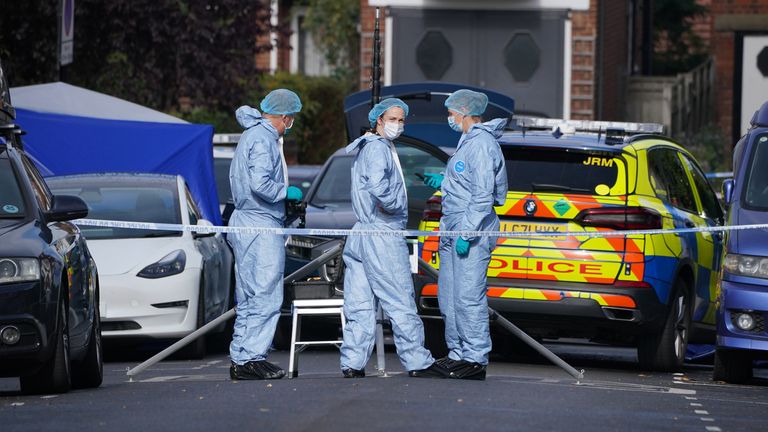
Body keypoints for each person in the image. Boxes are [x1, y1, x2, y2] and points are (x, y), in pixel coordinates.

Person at [340, 98, 446, 379]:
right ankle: (416, 361)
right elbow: (378, 186)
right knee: (399, 297)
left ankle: (352, 361)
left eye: (401, 120)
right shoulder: (377, 149)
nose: (398, 125)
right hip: (382, 233)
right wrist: (394, 205)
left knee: (359, 301)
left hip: (362, 233)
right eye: (393, 119)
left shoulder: (370, 146)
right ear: (378, 120)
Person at [422, 89, 508, 380]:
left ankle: (475, 358)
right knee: (449, 297)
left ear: (464, 113)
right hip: (452, 226)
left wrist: (467, 233)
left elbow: (483, 196)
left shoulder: (482, 144)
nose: (449, 118)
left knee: (468, 298)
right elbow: (467, 180)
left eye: (451, 113)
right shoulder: (467, 141)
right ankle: (457, 353)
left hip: (470, 230)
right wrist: (445, 181)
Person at [228, 89, 304, 380]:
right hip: (261, 223)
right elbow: (261, 183)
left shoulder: (251, 135)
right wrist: (285, 192)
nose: (290, 123)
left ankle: (242, 356)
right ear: (284, 117)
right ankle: (252, 357)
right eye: (291, 118)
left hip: (246, 220)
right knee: (266, 293)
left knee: (247, 294)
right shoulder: (263, 139)